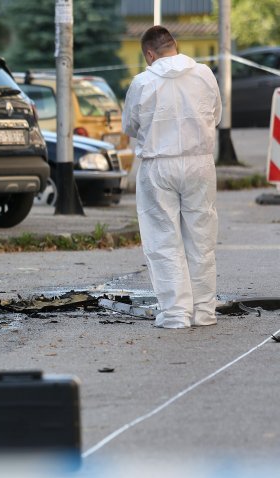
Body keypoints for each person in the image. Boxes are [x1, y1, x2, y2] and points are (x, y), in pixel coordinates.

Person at [122, 25, 222, 329]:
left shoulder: (142, 82)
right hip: (200, 163)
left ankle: (175, 314)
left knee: (163, 240)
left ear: (149, 54)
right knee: (201, 237)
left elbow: (130, 126)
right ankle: (204, 311)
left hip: (158, 164)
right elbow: (216, 115)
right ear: (174, 45)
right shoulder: (204, 74)